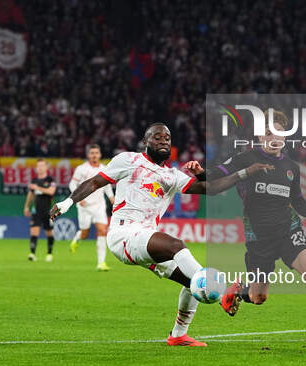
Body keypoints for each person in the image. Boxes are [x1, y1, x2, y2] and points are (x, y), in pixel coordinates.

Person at [50, 123, 271, 346]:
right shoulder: (129, 160)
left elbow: (209, 188)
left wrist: (244, 173)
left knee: (191, 282)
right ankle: (225, 293)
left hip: (146, 237)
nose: (164, 141)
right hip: (123, 233)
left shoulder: (172, 175)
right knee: (177, 246)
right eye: (157, 137)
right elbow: (96, 181)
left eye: (167, 138)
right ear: (145, 142)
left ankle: (178, 335)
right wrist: (67, 202)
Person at [207, 110, 306, 349]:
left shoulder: (291, 167)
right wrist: (197, 172)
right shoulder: (246, 158)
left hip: (289, 230)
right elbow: (217, 173)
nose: (274, 138)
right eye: (269, 133)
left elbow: (296, 199)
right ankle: (237, 292)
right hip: (259, 239)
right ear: (260, 136)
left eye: (279, 133)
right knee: (258, 297)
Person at [69, 144, 115, 271]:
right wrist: (78, 197)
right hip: (84, 206)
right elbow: (72, 183)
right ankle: (77, 239)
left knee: (102, 231)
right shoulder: (81, 169)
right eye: (92, 153)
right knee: (85, 233)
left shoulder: (104, 169)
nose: (94, 155)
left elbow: (106, 186)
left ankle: (101, 263)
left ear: (100, 155)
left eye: (96, 153)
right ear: (89, 155)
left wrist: (111, 197)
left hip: (99, 205)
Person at [23, 159, 56, 262]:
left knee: (49, 232)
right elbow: (31, 195)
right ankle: (32, 253)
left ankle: (49, 253)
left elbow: (51, 192)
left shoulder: (51, 180)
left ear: (46, 167)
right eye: (38, 166)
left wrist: (38, 187)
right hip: (36, 211)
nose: (40, 168)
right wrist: (26, 206)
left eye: (42, 166)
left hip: (48, 211)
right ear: (36, 168)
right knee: (34, 231)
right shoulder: (34, 181)